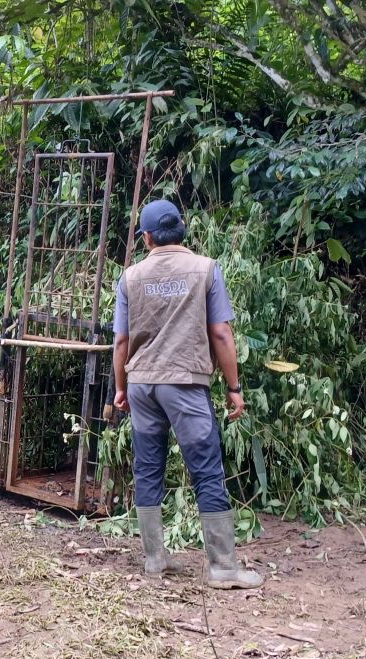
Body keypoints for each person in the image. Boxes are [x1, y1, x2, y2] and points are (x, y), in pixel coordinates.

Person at [112, 199, 263, 589]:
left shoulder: (130, 278)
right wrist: (234, 388)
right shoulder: (206, 269)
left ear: (146, 238)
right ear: (183, 229)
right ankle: (224, 567)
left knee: (148, 466)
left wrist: (121, 389)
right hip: (185, 385)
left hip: (143, 385)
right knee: (206, 468)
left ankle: (154, 559)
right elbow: (221, 334)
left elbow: (121, 341)